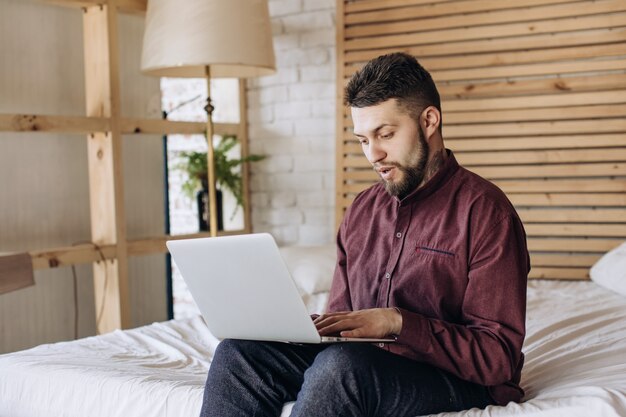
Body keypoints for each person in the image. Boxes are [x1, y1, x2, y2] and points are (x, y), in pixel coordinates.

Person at [199, 52, 530, 417]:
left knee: (340, 370)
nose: (373, 154)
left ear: (429, 120)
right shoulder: (362, 210)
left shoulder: (486, 212)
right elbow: (342, 319)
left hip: (454, 377)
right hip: (362, 361)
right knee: (237, 354)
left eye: (385, 134)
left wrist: (399, 323)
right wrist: (307, 327)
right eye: (362, 140)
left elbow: (497, 357)